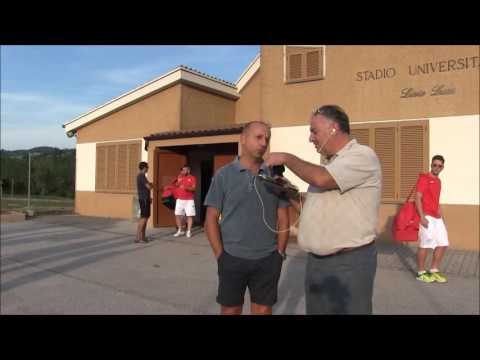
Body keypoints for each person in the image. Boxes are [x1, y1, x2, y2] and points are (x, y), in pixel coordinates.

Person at [266, 105, 382, 314]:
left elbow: (322, 179)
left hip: (349, 263)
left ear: (334, 128)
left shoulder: (362, 155)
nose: (310, 138)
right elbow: (310, 207)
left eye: (313, 131)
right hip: (317, 264)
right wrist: (287, 192)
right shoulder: (331, 164)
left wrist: (287, 158)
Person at [204, 121, 290, 315]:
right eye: (258, 137)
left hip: (268, 258)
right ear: (243, 139)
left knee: (262, 309)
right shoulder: (223, 175)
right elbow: (211, 217)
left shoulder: (274, 178)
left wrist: (279, 254)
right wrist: (220, 256)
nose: (264, 143)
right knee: (231, 310)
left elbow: (283, 218)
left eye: (267, 138)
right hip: (232, 257)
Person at [415, 155, 449, 283]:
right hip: (427, 216)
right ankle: (421, 272)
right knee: (425, 244)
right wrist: (422, 217)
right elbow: (418, 197)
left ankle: (434, 270)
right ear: (431, 165)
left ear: (442, 168)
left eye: (439, 166)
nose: (437, 167)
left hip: (437, 217)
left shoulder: (439, 181)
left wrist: (443, 219)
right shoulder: (424, 178)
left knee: (443, 243)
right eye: (434, 165)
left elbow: (436, 202)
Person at [173, 165, 197, 238]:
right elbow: (176, 185)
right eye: (182, 170)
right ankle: (180, 230)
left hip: (189, 200)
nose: (183, 171)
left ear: (188, 171)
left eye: (184, 170)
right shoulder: (180, 177)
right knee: (177, 214)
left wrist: (186, 188)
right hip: (180, 199)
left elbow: (193, 188)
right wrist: (178, 182)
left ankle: (189, 231)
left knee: (189, 215)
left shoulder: (192, 178)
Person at [136, 161, 154, 243]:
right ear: (144, 168)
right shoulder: (141, 176)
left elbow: (146, 187)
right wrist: (152, 185)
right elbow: (148, 187)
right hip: (144, 199)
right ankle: (139, 238)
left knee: (145, 218)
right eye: (147, 167)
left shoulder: (141, 176)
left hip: (145, 199)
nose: (148, 169)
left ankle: (142, 237)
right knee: (143, 218)